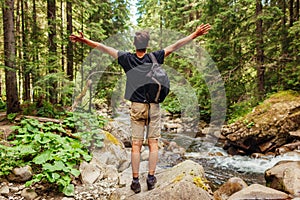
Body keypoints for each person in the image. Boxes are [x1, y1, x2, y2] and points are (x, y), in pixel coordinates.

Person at [69, 23, 211, 193]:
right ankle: (151, 178)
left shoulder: (126, 59)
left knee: (136, 145)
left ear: (134, 45)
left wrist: (84, 40)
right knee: (153, 144)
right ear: (147, 44)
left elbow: (103, 47)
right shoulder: (155, 56)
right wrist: (195, 34)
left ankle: (135, 181)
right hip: (154, 106)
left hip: (137, 106)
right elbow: (175, 46)